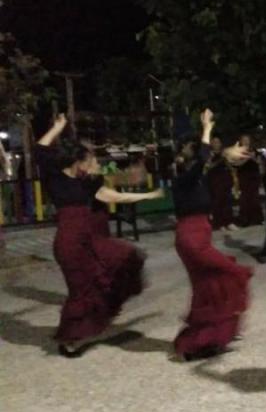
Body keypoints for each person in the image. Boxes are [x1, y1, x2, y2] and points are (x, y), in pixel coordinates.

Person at [35, 114, 164, 357]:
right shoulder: (56, 178)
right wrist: (57, 128)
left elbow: (112, 193)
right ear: (77, 161)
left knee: (123, 259)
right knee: (80, 292)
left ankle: (91, 323)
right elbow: (40, 149)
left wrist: (144, 193)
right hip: (68, 243)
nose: (91, 164)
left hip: (89, 241)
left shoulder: (86, 183)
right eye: (89, 160)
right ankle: (69, 339)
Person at [171, 109, 252, 360]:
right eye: (188, 147)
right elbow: (203, 161)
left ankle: (201, 342)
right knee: (233, 274)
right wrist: (206, 128)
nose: (192, 150)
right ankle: (208, 336)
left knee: (208, 289)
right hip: (192, 238)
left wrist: (226, 153)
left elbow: (209, 162)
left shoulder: (193, 172)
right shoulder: (182, 173)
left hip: (196, 236)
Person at [232, 134, 264, 227]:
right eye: (244, 140)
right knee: (245, 198)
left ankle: (257, 219)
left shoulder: (254, 150)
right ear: (241, 141)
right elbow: (236, 164)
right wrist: (247, 158)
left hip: (254, 176)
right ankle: (245, 220)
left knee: (255, 197)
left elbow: (259, 162)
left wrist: (253, 157)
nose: (246, 141)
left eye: (247, 139)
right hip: (244, 176)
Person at [207, 137, 237, 230]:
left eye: (218, 142)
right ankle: (219, 223)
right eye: (214, 142)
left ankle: (229, 222)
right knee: (217, 201)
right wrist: (220, 159)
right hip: (215, 179)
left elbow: (230, 165)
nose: (216, 144)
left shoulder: (224, 153)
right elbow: (209, 166)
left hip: (225, 178)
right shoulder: (209, 154)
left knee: (227, 200)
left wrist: (227, 159)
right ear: (211, 144)